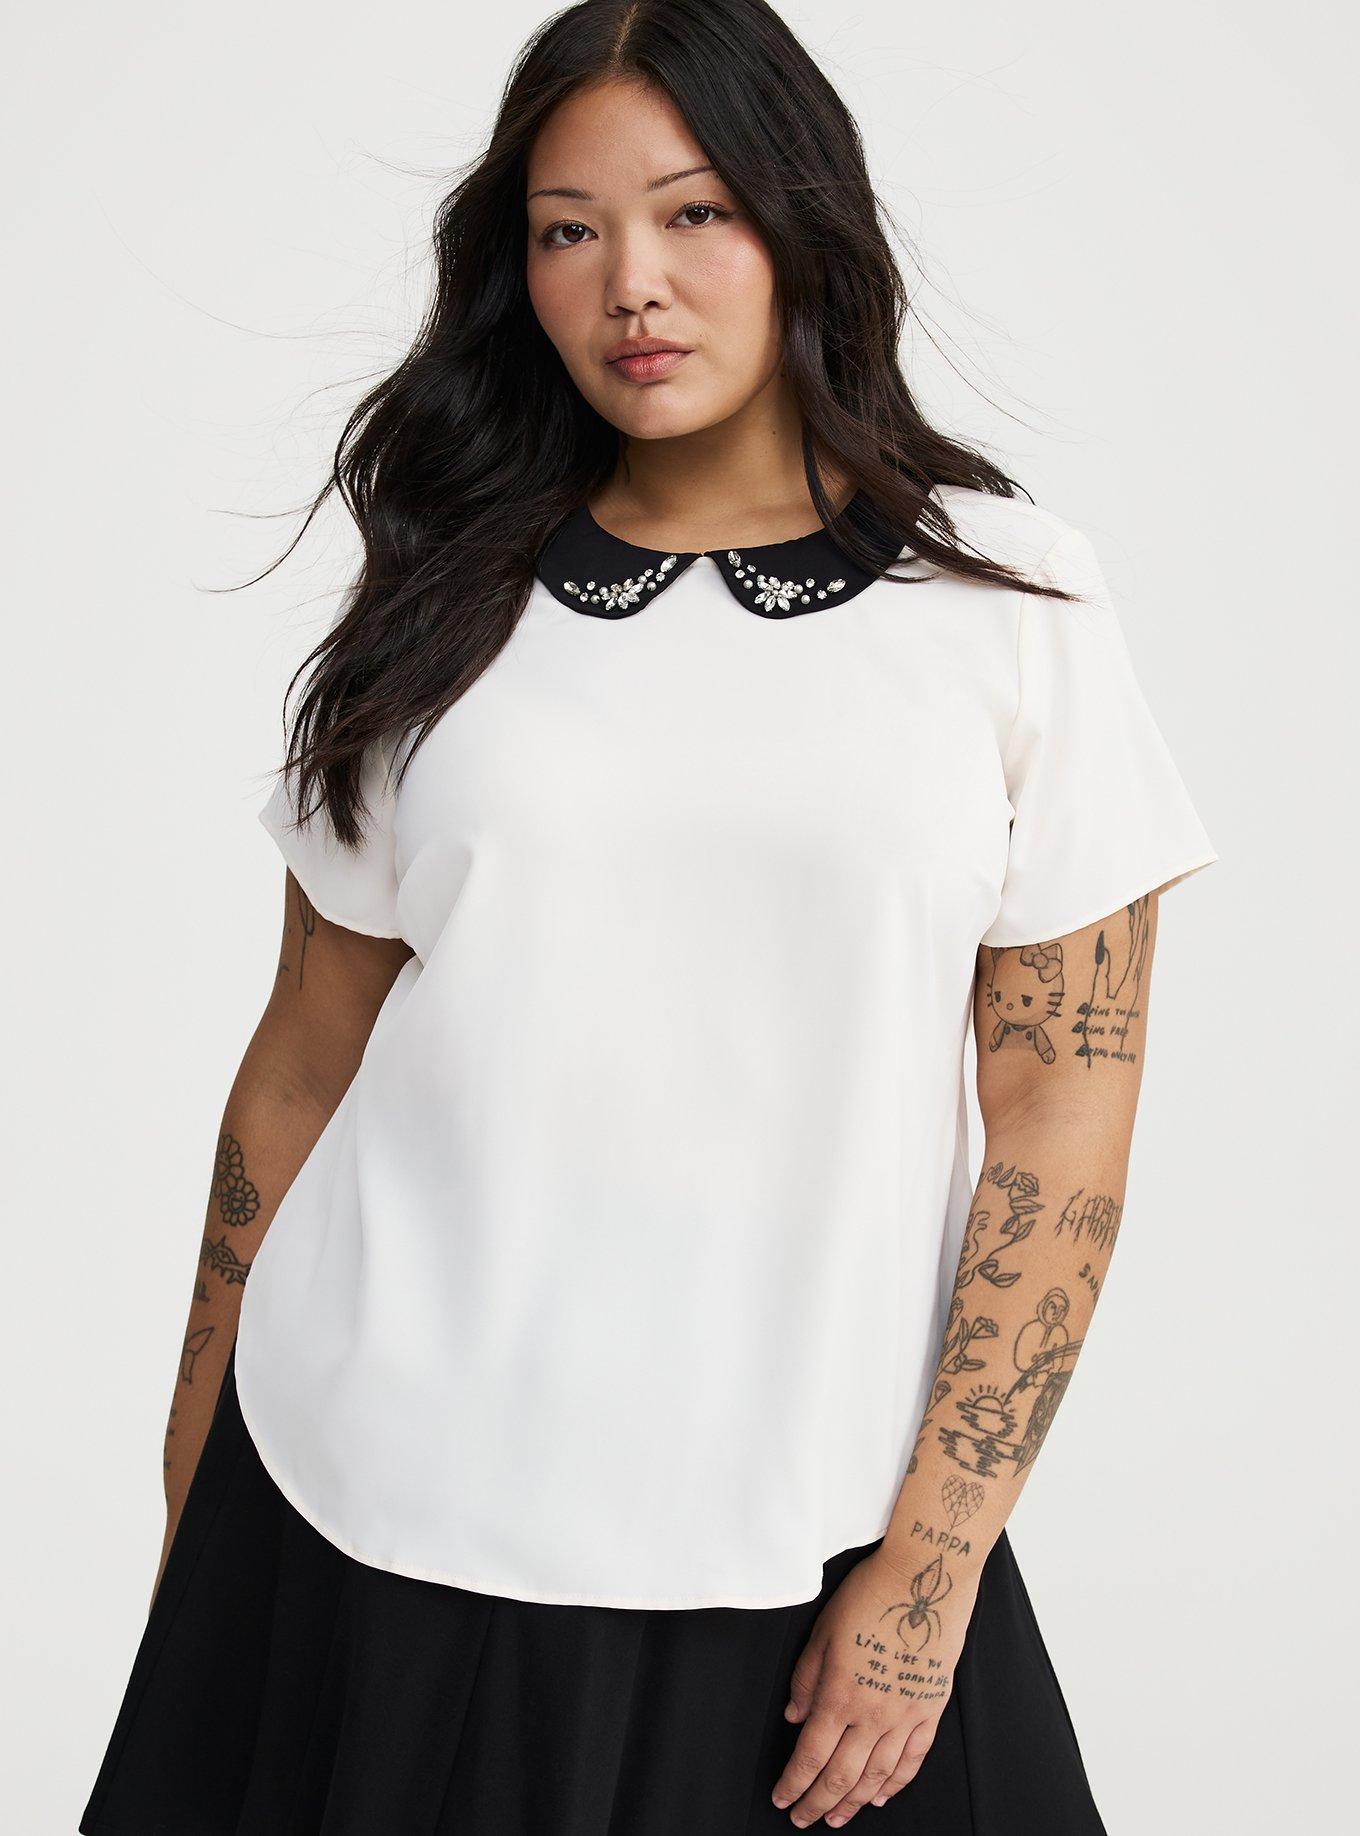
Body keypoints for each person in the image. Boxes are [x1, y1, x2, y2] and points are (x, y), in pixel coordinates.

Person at [79, 2, 1217, 1832]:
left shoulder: (1011, 605)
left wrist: (928, 1576)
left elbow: (1062, 1112)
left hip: (810, 1523)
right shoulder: (449, 602)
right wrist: (192, 1492)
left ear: (802, 223)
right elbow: (298, 1071)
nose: (632, 284)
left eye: (696, 214)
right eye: (568, 229)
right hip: (369, 1509)